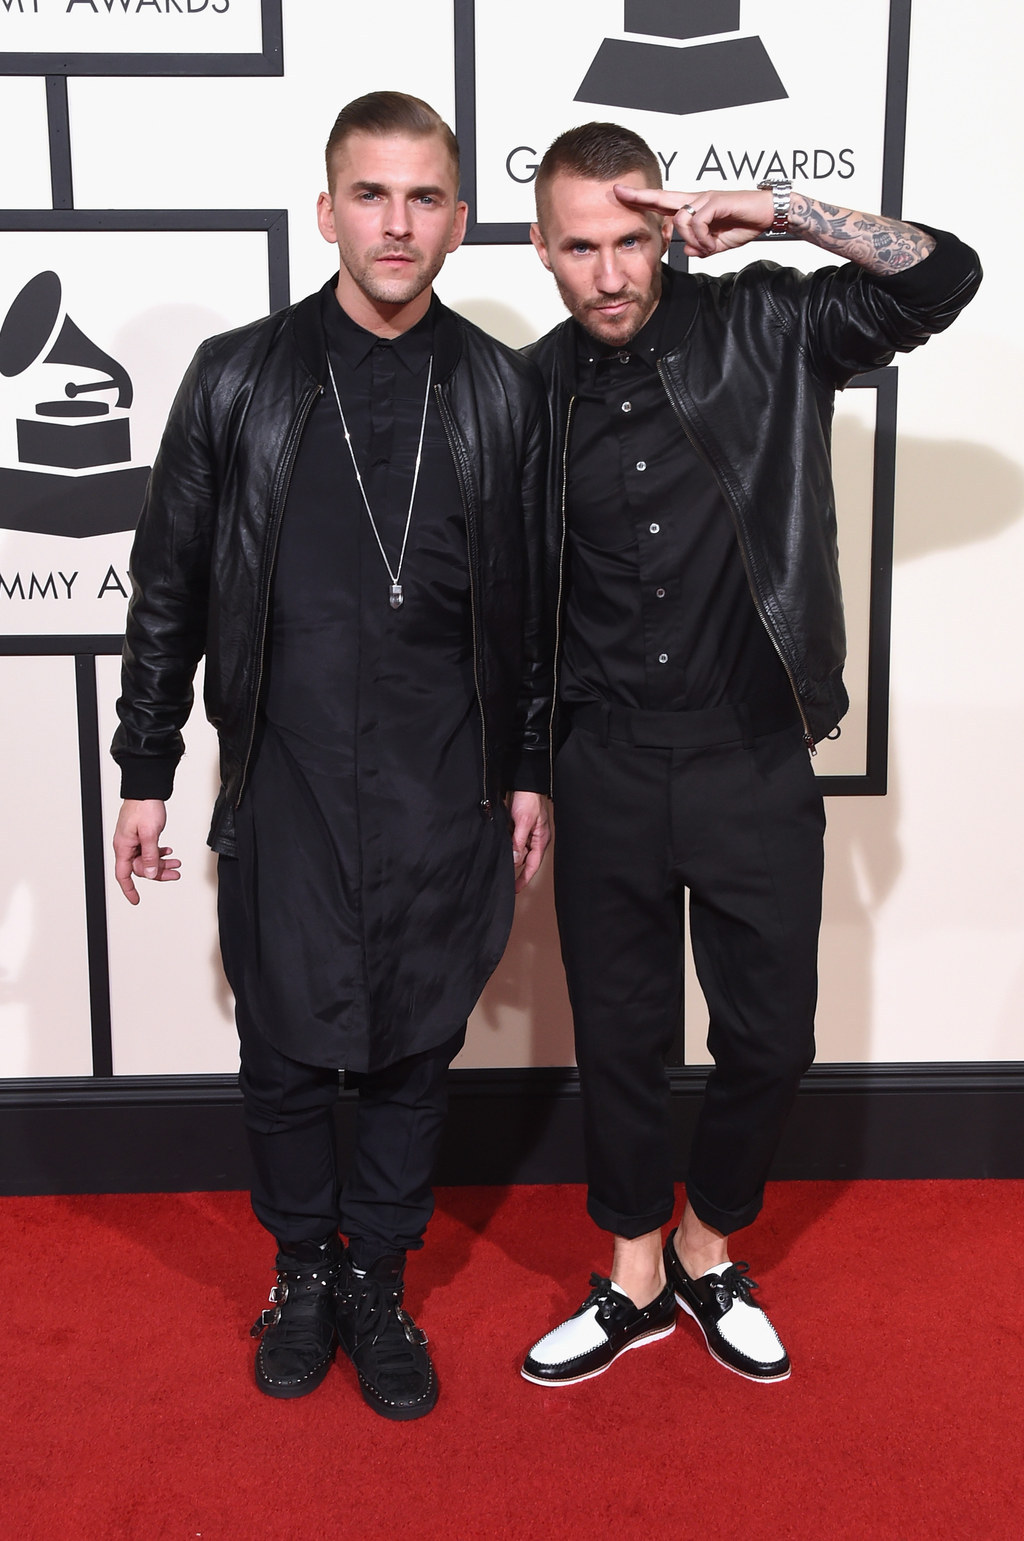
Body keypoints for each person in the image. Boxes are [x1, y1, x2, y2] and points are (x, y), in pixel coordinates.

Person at [110, 91, 551, 1422]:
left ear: (459, 220)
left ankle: (380, 1280)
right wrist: (144, 766)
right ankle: (302, 1269)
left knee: (418, 1047)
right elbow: (168, 584)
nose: (398, 222)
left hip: (442, 778)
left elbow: (532, 607)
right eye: (373, 194)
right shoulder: (240, 377)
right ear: (327, 212)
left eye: (424, 198)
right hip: (287, 779)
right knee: (287, 1050)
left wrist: (527, 767)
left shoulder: (496, 387)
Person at [519, 122, 981, 1387]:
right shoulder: (524, 393)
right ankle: (629, 1275)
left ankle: (705, 1245)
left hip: (750, 756)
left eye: (630, 239)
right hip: (603, 762)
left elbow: (943, 278)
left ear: (662, 231)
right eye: (580, 247)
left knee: (770, 1039)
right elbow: (502, 611)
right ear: (541, 249)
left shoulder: (769, 327)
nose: (611, 273)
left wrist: (782, 211)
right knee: (617, 1039)